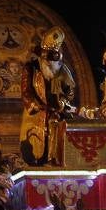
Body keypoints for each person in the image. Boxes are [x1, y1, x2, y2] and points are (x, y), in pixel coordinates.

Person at [20, 27, 78, 166]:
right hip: (35, 116)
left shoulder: (63, 71)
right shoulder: (31, 68)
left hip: (56, 115)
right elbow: (26, 91)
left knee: (57, 139)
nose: (47, 61)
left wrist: (63, 103)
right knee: (35, 147)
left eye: (51, 57)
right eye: (45, 56)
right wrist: (35, 105)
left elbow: (70, 92)